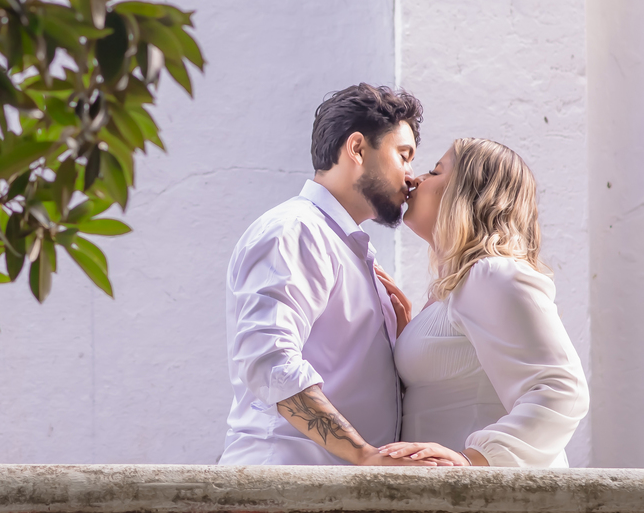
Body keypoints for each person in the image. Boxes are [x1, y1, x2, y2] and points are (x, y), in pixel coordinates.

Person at [219, 83, 433, 466]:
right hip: (283, 488)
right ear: (356, 148)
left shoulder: (350, 248)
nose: (411, 176)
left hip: (327, 490)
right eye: (403, 155)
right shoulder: (296, 230)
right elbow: (268, 361)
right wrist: (364, 456)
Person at [378, 138, 589, 467]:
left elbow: (562, 390)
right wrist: (405, 332)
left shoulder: (493, 273)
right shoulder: (460, 286)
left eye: (434, 171)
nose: (414, 179)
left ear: (466, 193)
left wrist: (474, 461)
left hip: (484, 496)